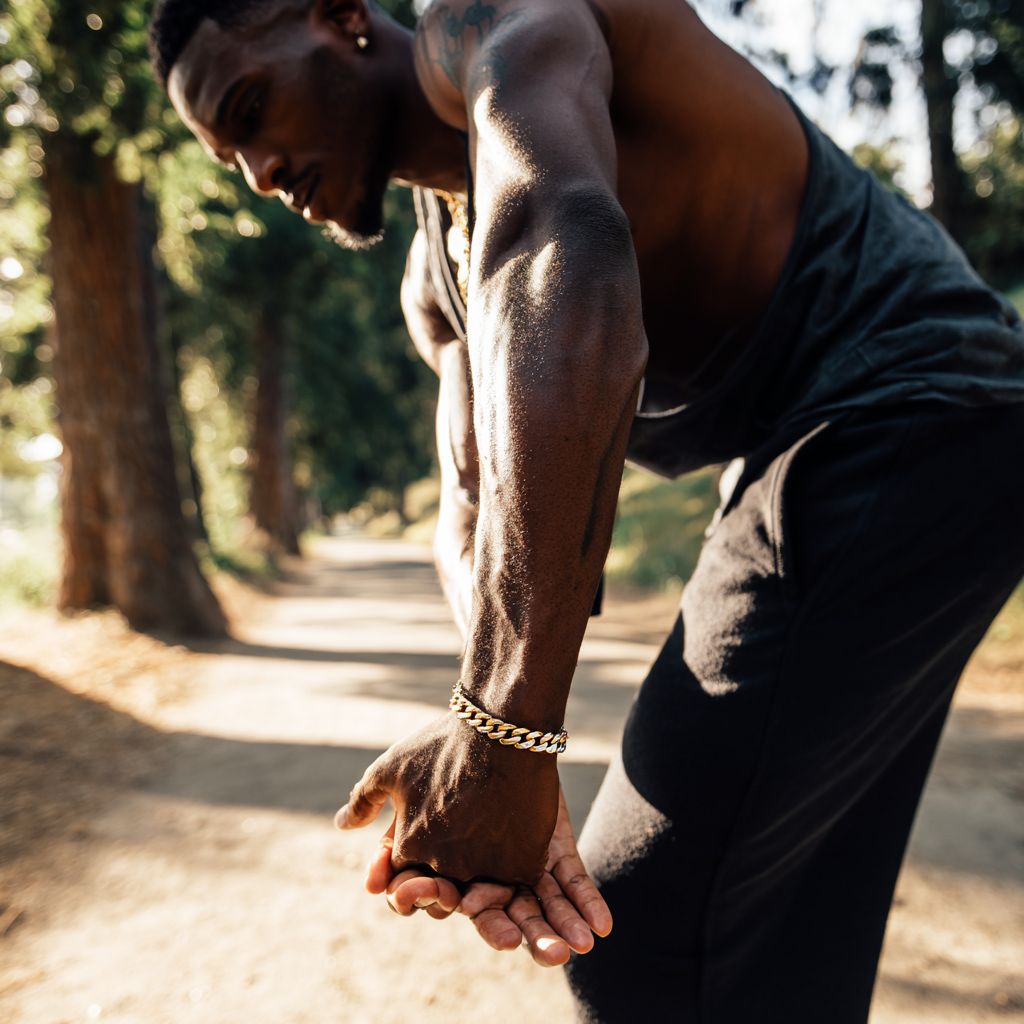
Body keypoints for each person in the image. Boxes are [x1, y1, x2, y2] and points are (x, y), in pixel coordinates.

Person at [148, 0, 1024, 1019]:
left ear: (342, 17)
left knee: (642, 931)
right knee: (774, 937)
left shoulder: (500, 29)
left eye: (252, 109)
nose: (259, 170)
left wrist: (510, 734)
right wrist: (483, 738)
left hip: (913, 400)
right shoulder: (437, 281)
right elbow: (478, 505)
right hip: (864, 444)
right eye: (229, 159)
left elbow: (567, 260)